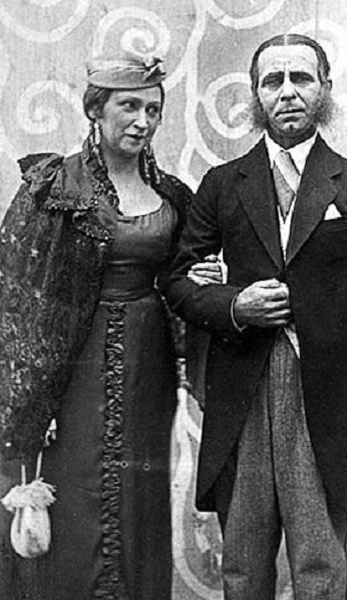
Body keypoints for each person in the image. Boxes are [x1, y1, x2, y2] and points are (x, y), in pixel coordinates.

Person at [166, 33, 347, 599]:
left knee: (319, 560)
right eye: (273, 81)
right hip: (240, 388)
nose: (288, 92)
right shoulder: (223, 184)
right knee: (243, 561)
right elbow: (178, 282)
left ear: (325, 89)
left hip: (324, 397)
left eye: (301, 78)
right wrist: (234, 305)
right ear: (256, 95)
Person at [0, 53, 221, 600]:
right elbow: (18, 294)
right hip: (73, 367)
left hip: (149, 365)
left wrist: (199, 276)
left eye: (153, 109)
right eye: (129, 106)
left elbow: (178, 278)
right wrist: (33, 397)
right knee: (76, 494)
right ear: (95, 110)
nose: (143, 121)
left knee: (140, 494)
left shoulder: (173, 195)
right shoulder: (55, 187)